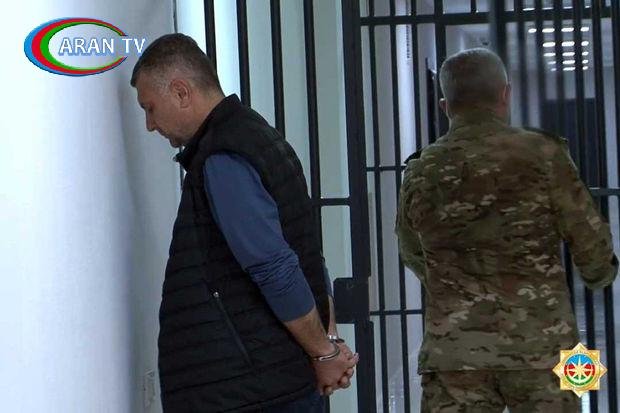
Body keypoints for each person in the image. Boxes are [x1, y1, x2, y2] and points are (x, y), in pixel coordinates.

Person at [131, 33, 358, 413]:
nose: (150, 125)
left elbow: (275, 267)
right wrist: (328, 342)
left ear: (182, 92)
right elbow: (309, 255)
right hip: (273, 380)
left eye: (150, 108)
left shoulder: (223, 156)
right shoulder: (261, 137)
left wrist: (324, 352)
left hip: (249, 391)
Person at [396, 48, 618, 412]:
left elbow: (410, 250)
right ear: (505, 94)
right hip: (544, 347)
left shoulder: (422, 169)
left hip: (455, 354)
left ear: (445, 106)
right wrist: (599, 276)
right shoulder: (544, 154)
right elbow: (590, 242)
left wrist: (454, 283)